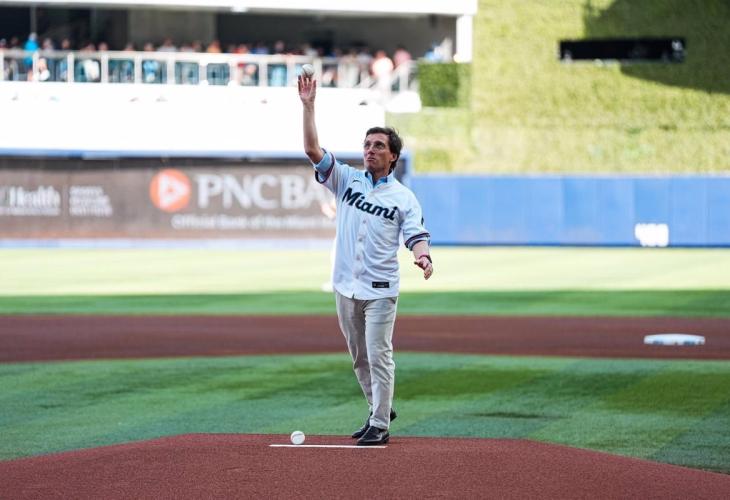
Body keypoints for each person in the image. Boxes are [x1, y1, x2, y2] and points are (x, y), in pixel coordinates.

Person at [298, 72, 434, 446]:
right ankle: (379, 406)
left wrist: (423, 258)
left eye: (378, 146)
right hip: (345, 285)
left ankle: (380, 424)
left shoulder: (403, 198)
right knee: (359, 358)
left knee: (378, 355)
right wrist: (308, 106)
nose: (370, 150)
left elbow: (416, 235)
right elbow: (312, 150)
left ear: (393, 156)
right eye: (367, 144)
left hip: (380, 290)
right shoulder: (346, 179)